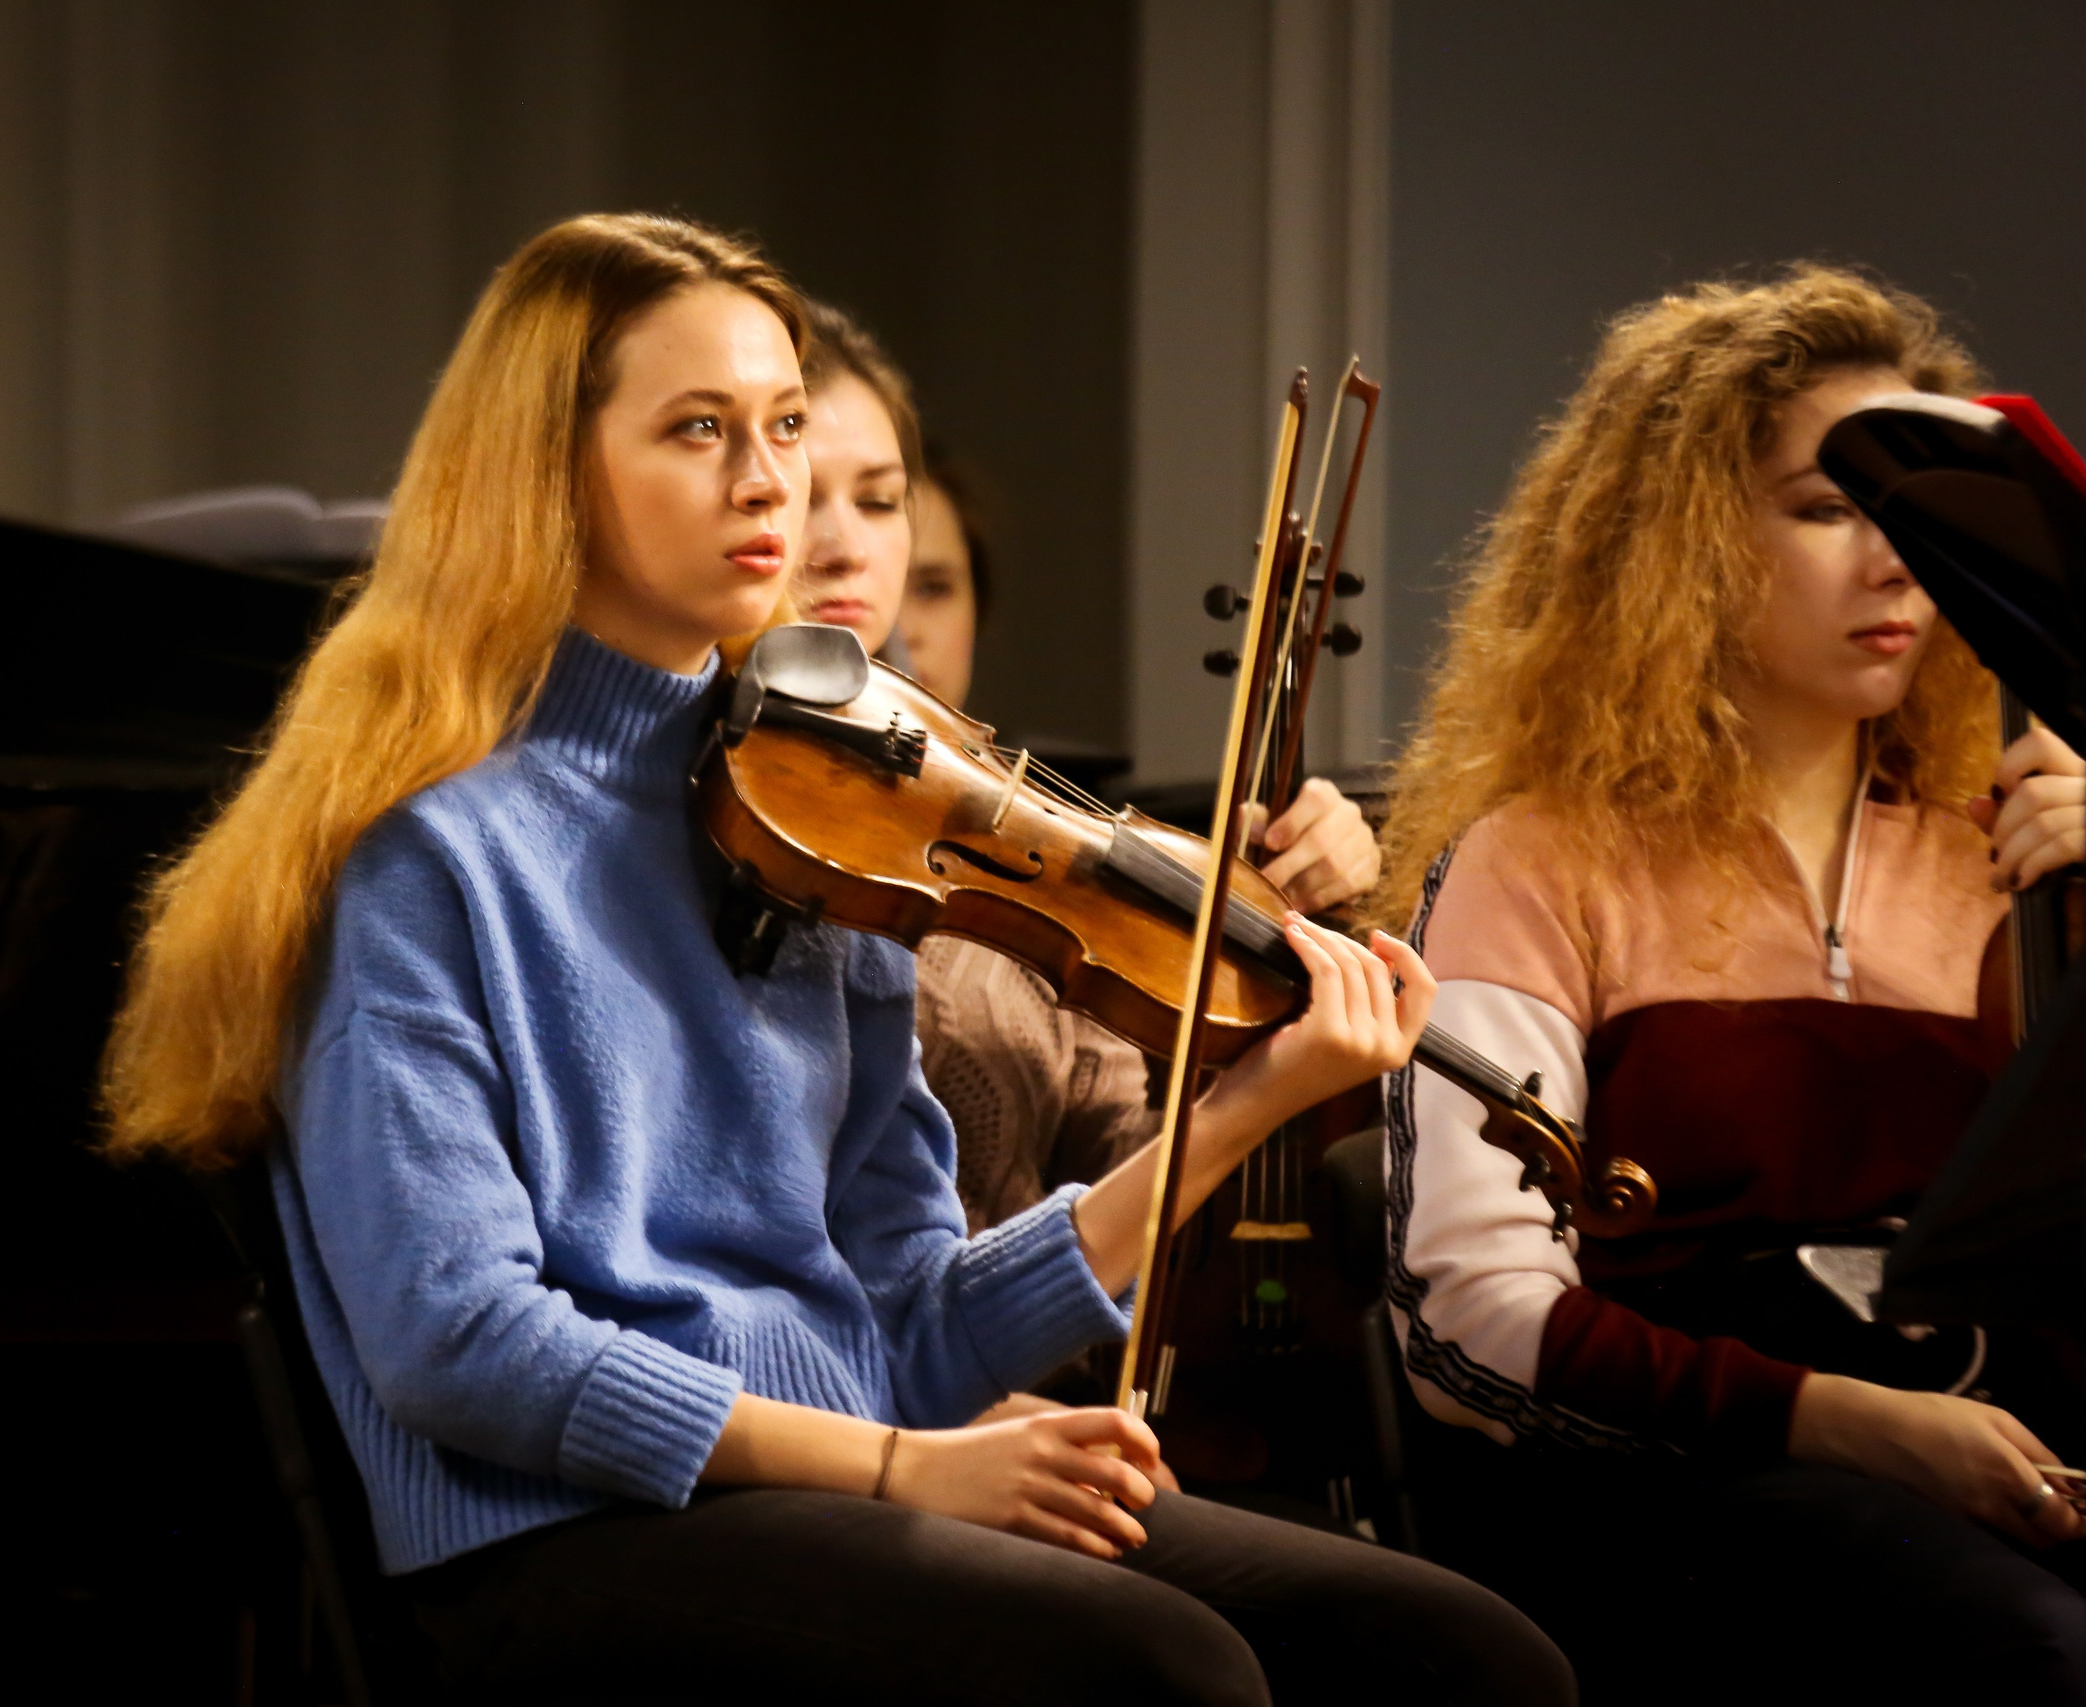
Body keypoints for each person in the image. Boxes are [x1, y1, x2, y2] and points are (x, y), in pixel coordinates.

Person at [101, 212, 1570, 1705]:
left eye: (786, 422)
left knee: (1461, 1656)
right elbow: (459, 1345)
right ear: (548, 469)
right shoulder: (430, 860)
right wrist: (895, 1464)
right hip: (566, 1540)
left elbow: (914, 1319)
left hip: (848, 1487)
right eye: (697, 428)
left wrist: (1244, 1106)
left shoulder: (827, 811)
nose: (769, 482)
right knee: (1161, 1669)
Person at [1376, 264, 2086, 1705]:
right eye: (1827, 508)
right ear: (1683, 541)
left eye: (1923, 519)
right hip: (1678, 1483)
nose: (1896, 562)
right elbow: (1469, 1321)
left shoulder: (2014, 850)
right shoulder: (1540, 856)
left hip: (2003, 1437)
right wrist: (1847, 1419)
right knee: (2028, 1647)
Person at [790, 300, 1382, 1234]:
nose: (847, 547)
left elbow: (1128, 1203)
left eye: (877, 500)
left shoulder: (1003, 843)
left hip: (1039, 1377)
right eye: (795, 493)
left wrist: (1265, 947)